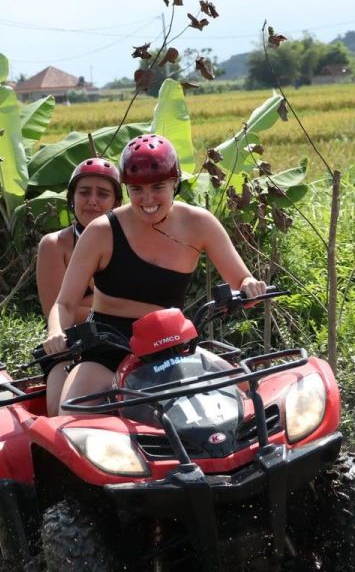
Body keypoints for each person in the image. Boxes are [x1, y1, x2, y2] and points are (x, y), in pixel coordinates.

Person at [42, 134, 267, 414]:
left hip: (174, 345)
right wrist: (55, 332)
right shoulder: (101, 231)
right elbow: (64, 304)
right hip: (108, 347)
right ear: (127, 190)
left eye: (158, 186)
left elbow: (241, 280)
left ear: (176, 183)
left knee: (245, 392)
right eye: (137, 189)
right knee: (72, 414)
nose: (147, 199)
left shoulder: (200, 224)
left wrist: (250, 287)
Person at [36, 157, 121, 415]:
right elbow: (59, 311)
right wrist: (111, 307)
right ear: (72, 198)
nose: (92, 200)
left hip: (122, 342)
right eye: (84, 192)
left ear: (117, 203)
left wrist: (85, 304)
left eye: (102, 194)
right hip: (69, 347)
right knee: (57, 410)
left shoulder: (129, 240)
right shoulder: (54, 245)